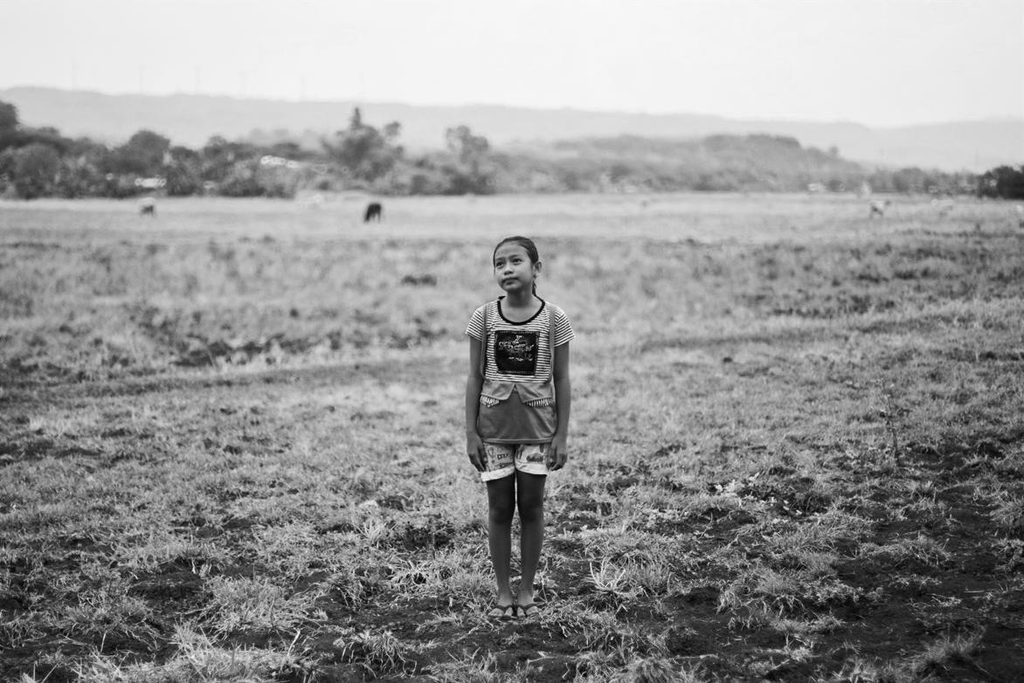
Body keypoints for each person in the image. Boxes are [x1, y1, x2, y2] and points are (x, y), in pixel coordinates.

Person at [465, 236, 574, 620]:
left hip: (537, 431)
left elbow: (561, 378)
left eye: (515, 261)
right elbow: (475, 378)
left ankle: (526, 590)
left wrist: (560, 435)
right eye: (499, 264)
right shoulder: (484, 317)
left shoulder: (554, 318)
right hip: (493, 430)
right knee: (498, 509)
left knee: (531, 507)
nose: (507, 269)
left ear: (536, 268)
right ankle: (502, 592)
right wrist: (471, 433)